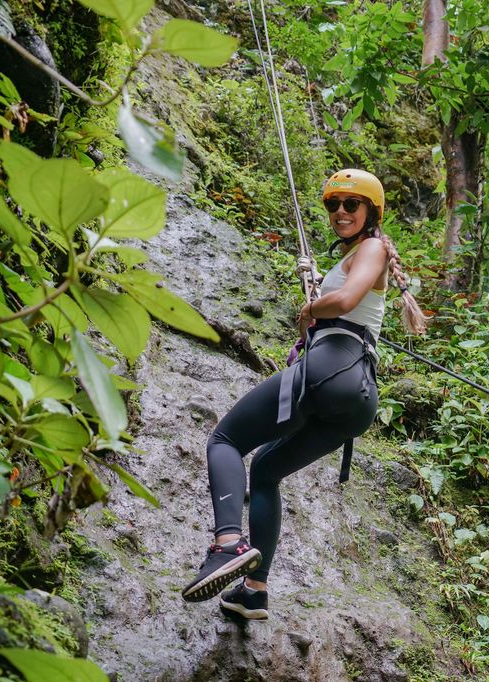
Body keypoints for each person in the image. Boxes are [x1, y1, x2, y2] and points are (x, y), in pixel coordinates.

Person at [181, 169, 427, 620]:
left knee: (226, 441)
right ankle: (253, 590)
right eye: (334, 204)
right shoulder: (355, 255)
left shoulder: (371, 247)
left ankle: (227, 542)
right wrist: (318, 294)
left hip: (334, 363)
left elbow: (348, 300)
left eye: (351, 204)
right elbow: (346, 296)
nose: (340, 212)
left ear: (372, 211)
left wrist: (311, 307)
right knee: (268, 468)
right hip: (355, 400)